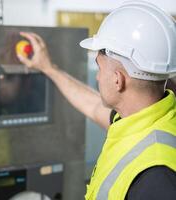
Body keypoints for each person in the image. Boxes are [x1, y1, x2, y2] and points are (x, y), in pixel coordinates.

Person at [17, 1, 176, 200]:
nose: (98, 77)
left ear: (118, 80)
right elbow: (93, 106)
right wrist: (48, 68)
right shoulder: (150, 118)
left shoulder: (156, 177)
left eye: (100, 68)